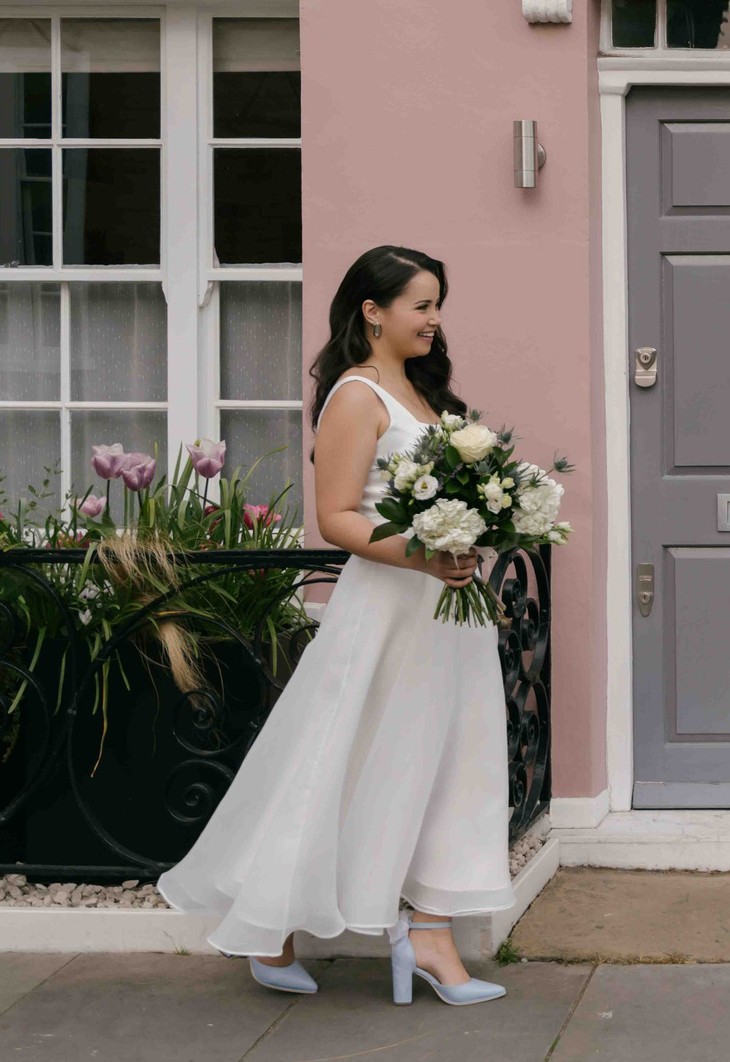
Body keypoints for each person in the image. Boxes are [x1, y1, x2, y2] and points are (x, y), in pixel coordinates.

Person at [159, 245, 511, 1006]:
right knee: (340, 760)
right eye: (421, 305)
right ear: (373, 311)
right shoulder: (356, 394)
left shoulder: (424, 392)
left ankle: (432, 930)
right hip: (389, 608)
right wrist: (425, 556)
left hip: (449, 614)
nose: (434, 319)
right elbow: (337, 516)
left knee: (453, 762)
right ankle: (271, 924)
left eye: (438, 305)